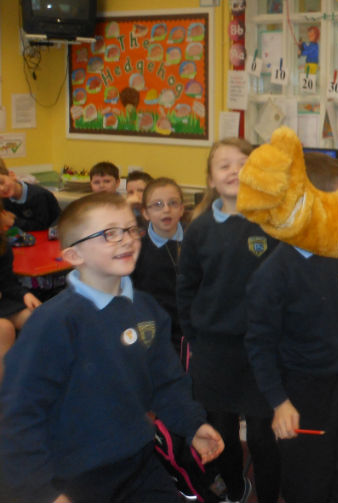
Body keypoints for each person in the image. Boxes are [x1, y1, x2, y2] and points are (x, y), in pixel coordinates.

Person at [0, 191, 224, 502]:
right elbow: (19, 413)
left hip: (138, 460)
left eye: (131, 229)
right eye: (109, 233)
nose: (126, 240)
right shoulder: (54, 322)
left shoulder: (146, 309)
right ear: (74, 255)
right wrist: (41, 492)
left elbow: (166, 381)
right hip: (74, 473)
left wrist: (192, 424)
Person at [245, 153, 338, 503]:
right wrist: (279, 402)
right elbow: (259, 345)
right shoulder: (272, 275)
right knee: (309, 481)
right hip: (302, 393)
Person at [176, 138, 280, 503]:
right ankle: (236, 489)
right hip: (214, 354)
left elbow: (285, 285)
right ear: (210, 179)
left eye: (243, 162)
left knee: (266, 438)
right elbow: (186, 288)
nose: (235, 170)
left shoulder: (273, 223)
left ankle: (268, 496)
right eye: (225, 165)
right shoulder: (199, 229)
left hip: (262, 354)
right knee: (221, 433)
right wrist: (197, 337)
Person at [131, 177, 185, 353]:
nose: (166, 210)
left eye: (173, 203)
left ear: (182, 209)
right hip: (155, 332)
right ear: (145, 213)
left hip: (191, 330)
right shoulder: (137, 251)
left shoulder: (197, 241)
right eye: (158, 204)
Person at [0, 229, 41, 384]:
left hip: (3, 301)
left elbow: (8, 282)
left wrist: (24, 294)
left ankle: (39, 381)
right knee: (4, 329)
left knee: (37, 318)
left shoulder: (3, 244)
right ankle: (6, 394)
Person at [0, 158, 61, 232]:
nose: (1, 189)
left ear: (12, 175)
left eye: (2, 182)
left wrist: (13, 222)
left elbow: (42, 226)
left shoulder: (39, 195)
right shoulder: (4, 200)